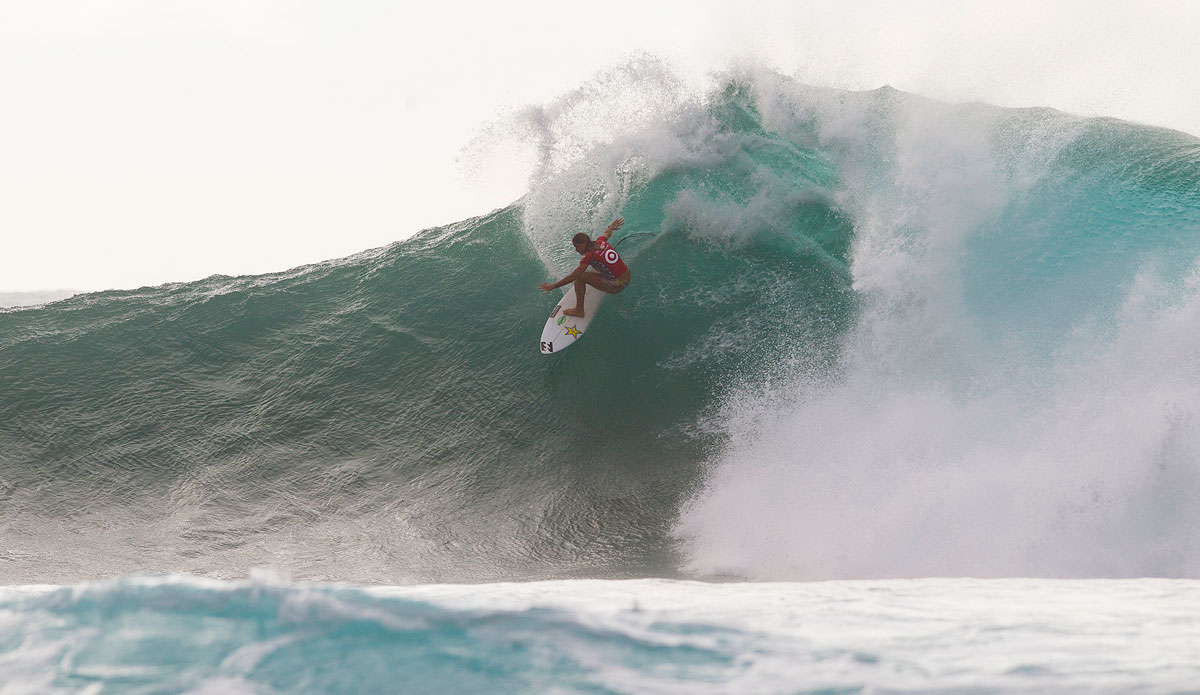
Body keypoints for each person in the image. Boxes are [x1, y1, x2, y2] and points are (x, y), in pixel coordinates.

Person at [538, 218, 631, 317]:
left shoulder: (589, 256)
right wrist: (611, 226)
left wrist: (553, 286)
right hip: (627, 276)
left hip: (617, 286)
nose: (576, 250)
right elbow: (606, 233)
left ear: (584, 244)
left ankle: (579, 310)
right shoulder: (600, 241)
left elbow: (573, 276)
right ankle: (605, 279)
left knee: (579, 277)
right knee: (593, 268)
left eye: (577, 246)